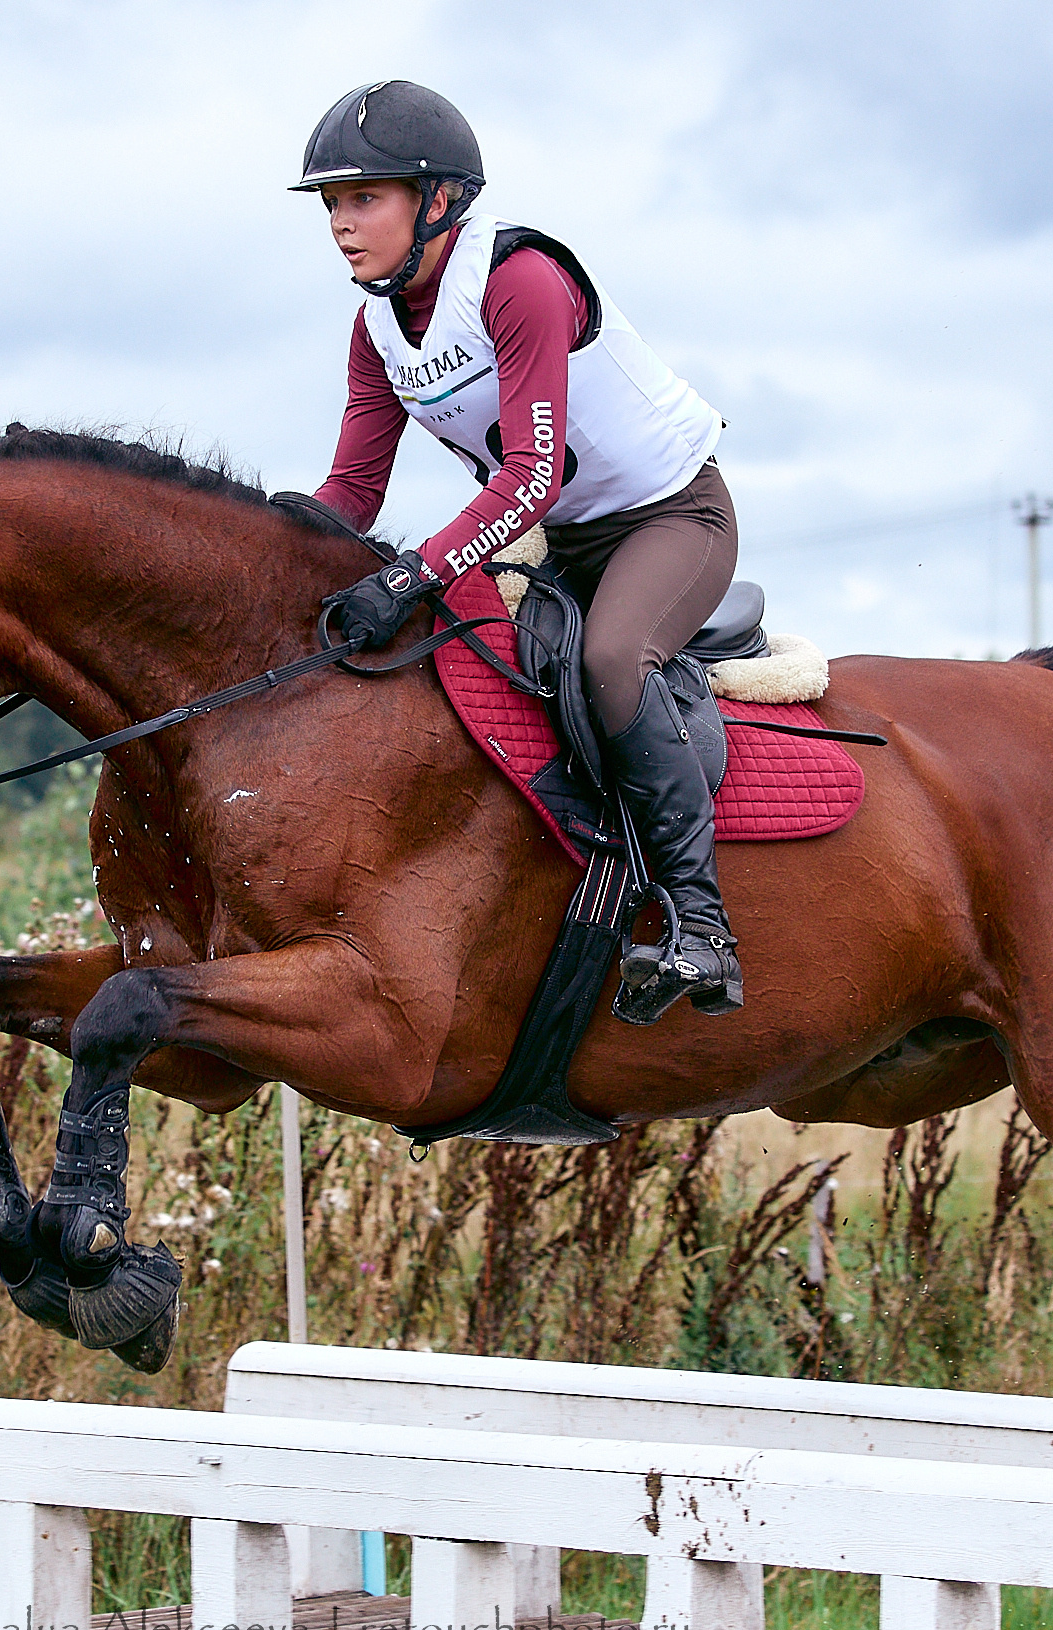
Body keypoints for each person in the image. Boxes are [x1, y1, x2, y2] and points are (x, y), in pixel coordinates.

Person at [298, 80, 745, 1023]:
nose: (341, 224)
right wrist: (265, 546)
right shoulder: (377, 328)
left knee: (613, 660)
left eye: (363, 198)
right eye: (333, 204)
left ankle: (703, 928)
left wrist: (416, 570)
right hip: (565, 543)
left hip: (672, 519)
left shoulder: (519, 280)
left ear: (440, 201)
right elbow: (351, 494)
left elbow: (531, 475)